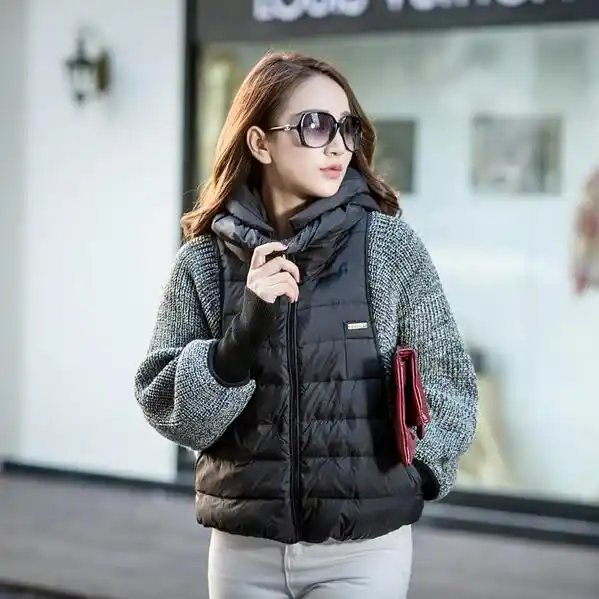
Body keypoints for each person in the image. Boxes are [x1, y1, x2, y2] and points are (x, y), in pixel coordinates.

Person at [134, 51, 478, 599]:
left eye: (347, 127)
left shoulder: (387, 246)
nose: (339, 146)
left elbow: (450, 384)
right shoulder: (203, 261)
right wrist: (243, 333)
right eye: (315, 126)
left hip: (363, 553)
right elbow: (166, 406)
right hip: (243, 549)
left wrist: (414, 474)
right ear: (259, 142)